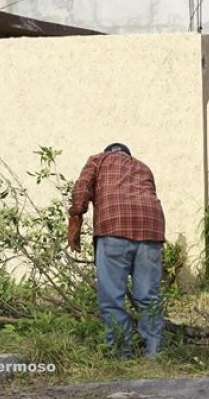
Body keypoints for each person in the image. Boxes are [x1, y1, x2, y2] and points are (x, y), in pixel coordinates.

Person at [67, 142, 166, 359]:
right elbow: (150, 196)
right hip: (151, 229)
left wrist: (75, 218)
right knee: (149, 297)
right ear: (128, 155)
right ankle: (155, 353)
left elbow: (82, 188)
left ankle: (121, 352)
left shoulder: (98, 160)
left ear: (107, 152)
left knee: (112, 298)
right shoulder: (143, 167)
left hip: (114, 228)